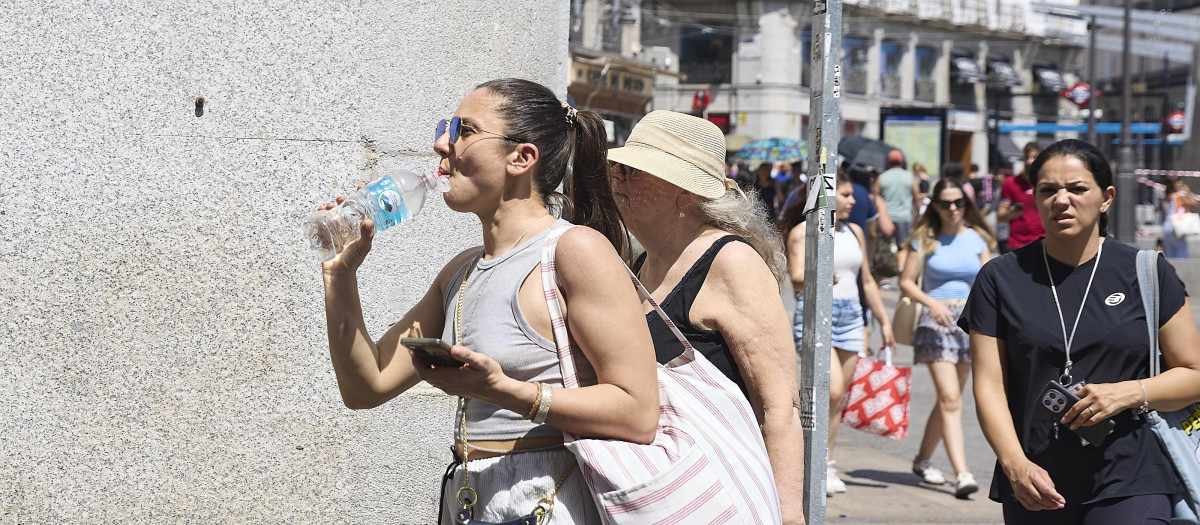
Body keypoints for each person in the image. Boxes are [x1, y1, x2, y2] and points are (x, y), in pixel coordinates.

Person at [318, 78, 661, 524]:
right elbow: (366, 387)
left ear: (521, 157)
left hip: (549, 499)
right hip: (470, 497)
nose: (442, 144)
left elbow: (637, 412)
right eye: (447, 127)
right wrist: (339, 276)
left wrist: (502, 390)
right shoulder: (460, 271)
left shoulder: (574, 250)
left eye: (464, 130)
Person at [960, 139, 1200, 524]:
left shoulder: (1147, 272)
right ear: (1034, 199)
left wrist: (1129, 392)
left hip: (1133, 473)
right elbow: (988, 385)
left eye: (1076, 188)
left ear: (1106, 198)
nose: (1061, 200)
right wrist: (1014, 464)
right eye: (1048, 190)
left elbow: (1194, 374)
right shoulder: (1000, 278)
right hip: (1036, 479)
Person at [607, 110, 805, 525]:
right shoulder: (638, 262)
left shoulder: (731, 261)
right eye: (618, 168)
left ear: (685, 194)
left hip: (719, 496)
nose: (617, 179)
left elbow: (779, 405)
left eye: (634, 171)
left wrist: (787, 516)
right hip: (660, 498)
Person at [783, 173, 896, 497]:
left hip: (850, 316)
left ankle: (826, 463)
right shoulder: (802, 232)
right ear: (827, 196)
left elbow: (868, 280)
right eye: (845, 194)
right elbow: (796, 278)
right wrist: (819, 276)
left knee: (839, 398)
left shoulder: (855, 231)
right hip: (816, 315)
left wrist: (883, 322)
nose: (853, 200)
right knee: (830, 392)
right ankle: (809, 461)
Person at [899, 176, 995, 499]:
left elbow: (990, 281)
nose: (952, 209)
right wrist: (932, 303)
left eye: (958, 202)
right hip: (935, 321)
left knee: (948, 401)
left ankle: (922, 458)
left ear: (966, 204)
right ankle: (962, 474)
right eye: (945, 203)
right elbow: (907, 282)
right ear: (935, 206)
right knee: (951, 398)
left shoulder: (979, 239)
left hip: (971, 324)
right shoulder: (924, 238)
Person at [876, 150, 920, 272]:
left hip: (886, 218)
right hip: (904, 217)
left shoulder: (882, 177)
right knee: (903, 247)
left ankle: (885, 275)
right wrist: (916, 217)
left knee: (885, 247)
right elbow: (916, 199)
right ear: (902, 162)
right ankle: (901, 269)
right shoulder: (910, 177)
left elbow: (875, 196)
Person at [996, 141, 1045, 252]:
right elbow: (1000, 216)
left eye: (1034, 157)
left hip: (1044, 243)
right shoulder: (1011, 183)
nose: (1029, 161)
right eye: (1027, 157)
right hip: (1017, 244)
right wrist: (1011, 214)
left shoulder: (1048, 183)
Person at [1161, 178, 1198, 259]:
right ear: (1173, 185)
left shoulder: (1166, 198)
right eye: (1179, 184)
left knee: (1169, 253)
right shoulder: (1178, 197)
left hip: (1167, 225)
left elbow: (1163, 216)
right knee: (1181, 253)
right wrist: (1189, 192)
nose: (1181, 186)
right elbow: (1194, 203)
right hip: (1176, 224)